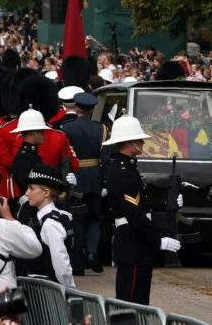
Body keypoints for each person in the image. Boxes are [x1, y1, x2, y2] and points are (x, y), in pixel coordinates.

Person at [102, 115, 180, 305]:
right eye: (138, 139)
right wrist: (157, 241)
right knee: (132, 304)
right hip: (133, 244)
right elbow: (135, 215)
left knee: (138, 303)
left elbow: (140, 206)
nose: (143, 142)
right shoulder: (123, 173)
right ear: (128, 142)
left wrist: (167, 203)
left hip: (135, 244)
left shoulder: (127, 169)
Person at [58, 92, 109, 273]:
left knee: (76, 219)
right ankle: (92, 254)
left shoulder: (66, 128)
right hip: (95, 177)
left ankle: (78, 259)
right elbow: (106, 158)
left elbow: (65, 156)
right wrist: (104, 182)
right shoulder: (101, 129)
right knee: (94, 218)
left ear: (76, 108)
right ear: (92, 110)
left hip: (75, 177)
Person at [18, 165, 75, 287]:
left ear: (46, 192)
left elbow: (62, 267)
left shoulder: (50, 224)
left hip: (49, 295)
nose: (27, 193)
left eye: (31, 188)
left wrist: (70, 292)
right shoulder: (51, 218)